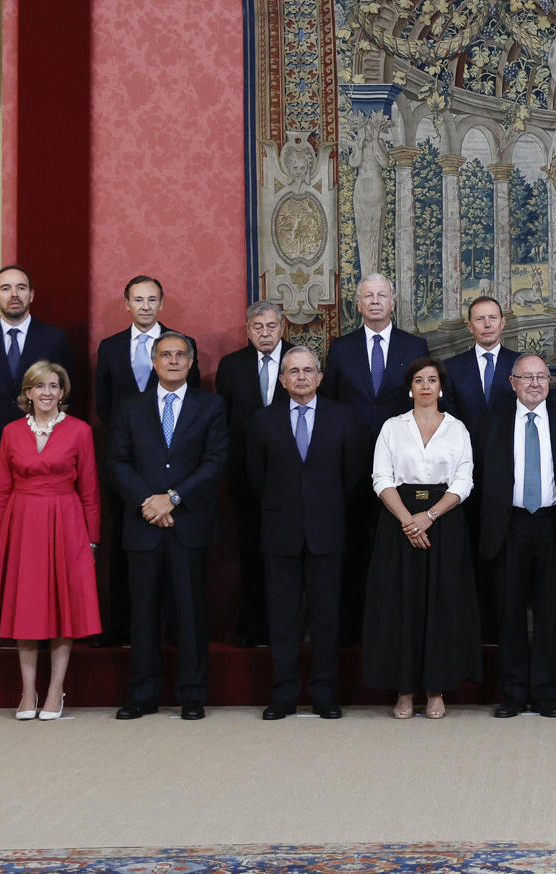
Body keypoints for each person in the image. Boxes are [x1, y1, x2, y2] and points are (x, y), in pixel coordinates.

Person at [108, 332, 228, 720]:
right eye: (165, 355)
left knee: (191, 611)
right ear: (154, 362)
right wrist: (150, 502)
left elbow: (214, 462)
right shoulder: (129, 408)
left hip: (188, 522)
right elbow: (118, 462)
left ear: (191, 363)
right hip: (143, 524)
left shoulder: (210, 406)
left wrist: (172, 498)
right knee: (143, 613)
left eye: (180, 355)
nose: (173, 360)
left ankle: (192, 694)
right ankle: (143, 694)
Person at [0, 264, 73, 652]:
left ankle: (39, 622)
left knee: (39, 541)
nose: (14, 295)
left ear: (31, 295)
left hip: (43, 453)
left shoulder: (53, 338)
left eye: (21, 287)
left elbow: (66, 394)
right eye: (5, 288)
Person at [248, 347, 366, 720]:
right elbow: (256, 476)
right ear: (282, 380)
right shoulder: (262, 420)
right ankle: (283, 695)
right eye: (293, 371)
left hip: (327, 529)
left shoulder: (342, 417)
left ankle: (323, 694)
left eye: (308, 370)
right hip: (279, 530)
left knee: (326, 617)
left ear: (319, 377)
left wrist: (323, 506)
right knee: (282, 619)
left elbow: (353, 475)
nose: (301, 376)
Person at [363, 356, 480, 719]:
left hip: (444, 521)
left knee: (441, 605)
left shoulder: (458, 428)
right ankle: (403, 690)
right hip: (398, 521)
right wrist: (408, 521)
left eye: (432, 380)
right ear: (410, 388)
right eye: (419, 380)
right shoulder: (392, 428)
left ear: (441, 388)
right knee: (402, 605)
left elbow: (464, 480)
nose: (426, 386)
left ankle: (435, 690)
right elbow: (381, 477)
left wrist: (428, 517)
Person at [0, 361, 101, 721]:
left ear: (63, 392)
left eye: (54, 386)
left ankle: (55, 691)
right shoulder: (10, 432)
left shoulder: (80, 431)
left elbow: (91, 492)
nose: (47, 393)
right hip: (21, 526)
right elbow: (1, 492)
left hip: (67, 524)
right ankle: (27, 691)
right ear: (28, 393)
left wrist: (92, 542)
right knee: (28, 607)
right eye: (40, 386)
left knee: (62, 607)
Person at [473, 354, 556, 718]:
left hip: (554, 526)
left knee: (551, 615)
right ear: (512, 382)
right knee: (509, 613)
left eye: (541, 377)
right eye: (527, 377)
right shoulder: (490, 425)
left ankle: (546, 693)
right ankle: (514, 693)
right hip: (509, 526)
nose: (535, 383)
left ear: (549, 382)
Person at [324, 273, 431, 640]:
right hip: (351, 464)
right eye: (367, 296)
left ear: (393, 301)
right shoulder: (340, 348)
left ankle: (397, 626)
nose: (374, 301)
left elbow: (425, 402)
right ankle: (354, 627)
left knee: (396, 546)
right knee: (354, 544)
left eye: (381, 295)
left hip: (403, 467)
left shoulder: (415, 346)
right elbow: (331, 405)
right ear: (357, 304)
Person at [93, 275, 197, 647]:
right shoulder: (109, 348)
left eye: (152, 299)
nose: (145, 306)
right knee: (127, 548)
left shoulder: (182, 346)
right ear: (127, 305)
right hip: (126, 467)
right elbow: (103, 404)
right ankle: (122, 627)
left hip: (175, 472)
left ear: (161, 304)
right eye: (138, 300)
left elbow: (192, 409)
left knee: (175, 556)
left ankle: (171, 630)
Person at [215, 300, 298, 648]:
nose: (265, 334)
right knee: (250, 553)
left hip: (293, 475)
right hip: (245, 476)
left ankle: (289, 627)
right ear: (248, 330)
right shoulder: (231, 366)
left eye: (271, 327)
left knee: (290, 555)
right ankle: (253, 626)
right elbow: (222, 420)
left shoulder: (300, 361)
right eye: (257, 328)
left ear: (283, 328)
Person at [442, 296, 519, 433]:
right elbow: (449, 419)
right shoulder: (451, 368)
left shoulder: (521, 364)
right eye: (480, 319)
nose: (487, 324)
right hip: (467, 450)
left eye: (493, 318)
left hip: (512, 450)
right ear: (470, 327)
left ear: (503, 323)